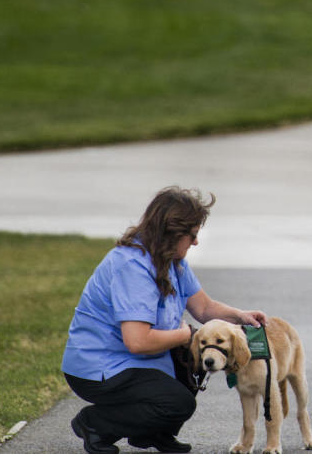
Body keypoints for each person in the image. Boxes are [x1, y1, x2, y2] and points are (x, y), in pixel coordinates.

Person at [62, 186, 267, 454]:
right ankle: (95, 425)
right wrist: (185, 336)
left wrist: (240, 316)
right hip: (100, 367)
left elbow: (203, 307)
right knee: (178, 402)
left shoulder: (172, 261)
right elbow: (136, 342)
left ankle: (152, 432)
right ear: (171, 232)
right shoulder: (132, 267)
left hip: (136, 361)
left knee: (197, 355)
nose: (195, 242)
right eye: (192, 235)